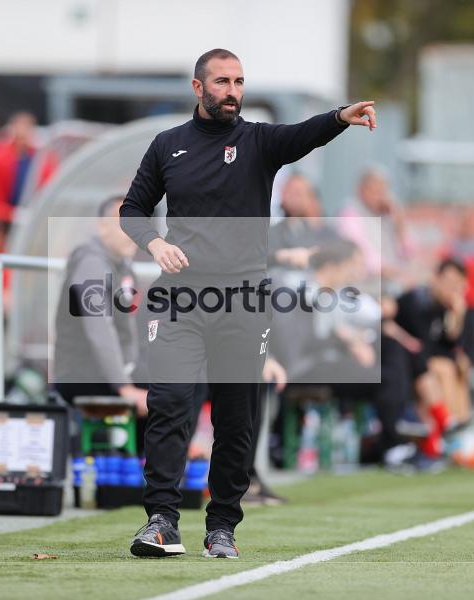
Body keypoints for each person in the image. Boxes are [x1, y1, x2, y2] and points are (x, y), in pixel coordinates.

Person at [120, 48, 377, 559]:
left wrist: (339, 118)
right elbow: (132, 210)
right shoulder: (167, 144)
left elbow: (303, 134)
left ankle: (222, 527)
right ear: (198, 88)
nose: (232, 91)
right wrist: (155, 244)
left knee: (237, 417)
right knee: (169, 403)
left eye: (238, 81)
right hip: (181, 299)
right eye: (221, 82)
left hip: (243, 302)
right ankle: (162, 521)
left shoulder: (258, 141)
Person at [54, 196, 148, 414]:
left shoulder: (124, 268)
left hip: (111, 372)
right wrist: (125, 388)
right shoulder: (90, 265)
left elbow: (128, 331)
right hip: (83, 375)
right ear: (103, 227)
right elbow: (99, 330)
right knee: (174, 390)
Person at [396, 258, 472, 424]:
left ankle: (462, 421)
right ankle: (450, 424)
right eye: (448, 282)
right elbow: (426, 344)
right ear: (436, 278)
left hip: (423, 358)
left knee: (462, 365)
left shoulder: (443, 306)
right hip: (406, 360)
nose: (451, 289)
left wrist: (457, 316)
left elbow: (451, 343)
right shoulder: (417, 301)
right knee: (444, 368)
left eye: (456, 285)